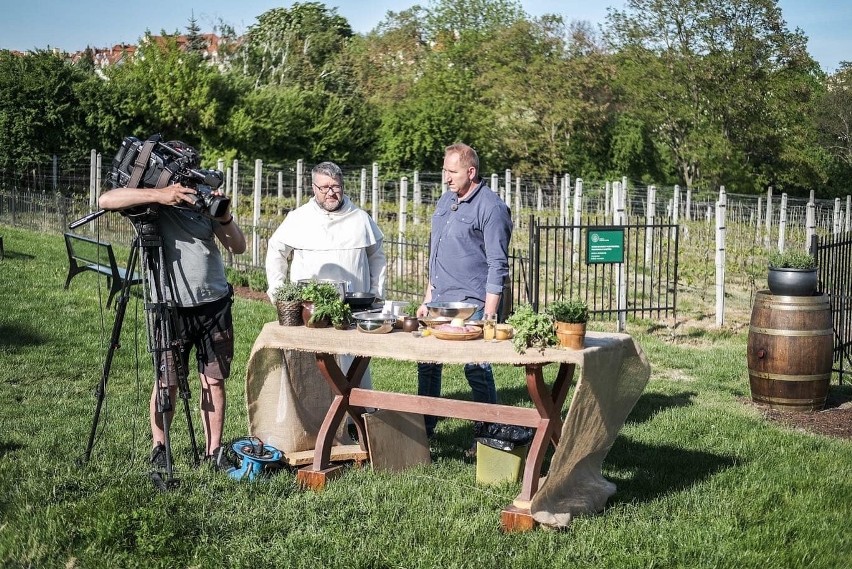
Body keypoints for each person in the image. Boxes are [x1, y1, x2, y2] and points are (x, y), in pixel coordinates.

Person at [98, 180, 246, 473]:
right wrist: (161, 196)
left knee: (214, 380)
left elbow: (238, 246)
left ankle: (214, 452)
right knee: (167, 382)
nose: (186, 187)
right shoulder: (150, 205)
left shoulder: (201, 204)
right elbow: (106, 199)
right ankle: (160, 448)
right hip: (169, 307)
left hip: (213, 303)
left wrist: (224, 216)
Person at [263, 161, 386, 443]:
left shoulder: (360, 218)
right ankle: (312, 423)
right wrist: (280, 292)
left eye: (336, 187)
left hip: (352, 310)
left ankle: (359, 423)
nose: (331, 193)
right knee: (312, 369)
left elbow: (377, 256)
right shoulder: (298, 218)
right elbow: (276, 252)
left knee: (354, 367)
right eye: (324, 187)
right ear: (313, 188)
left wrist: (377, 293)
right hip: (311, 312)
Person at [416, 143, 513, 443]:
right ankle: (426, 427)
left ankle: (487, 432)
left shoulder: (491, 208)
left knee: (476, 368)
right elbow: (436, 252)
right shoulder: (446, 201)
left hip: (473, 305)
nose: (446, 177)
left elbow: (498, 265)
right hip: (440, 302)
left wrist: (489, 314)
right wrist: (427, 297)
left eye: (452, 171)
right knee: (428, 364)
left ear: (471, 172)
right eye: (444, 170)